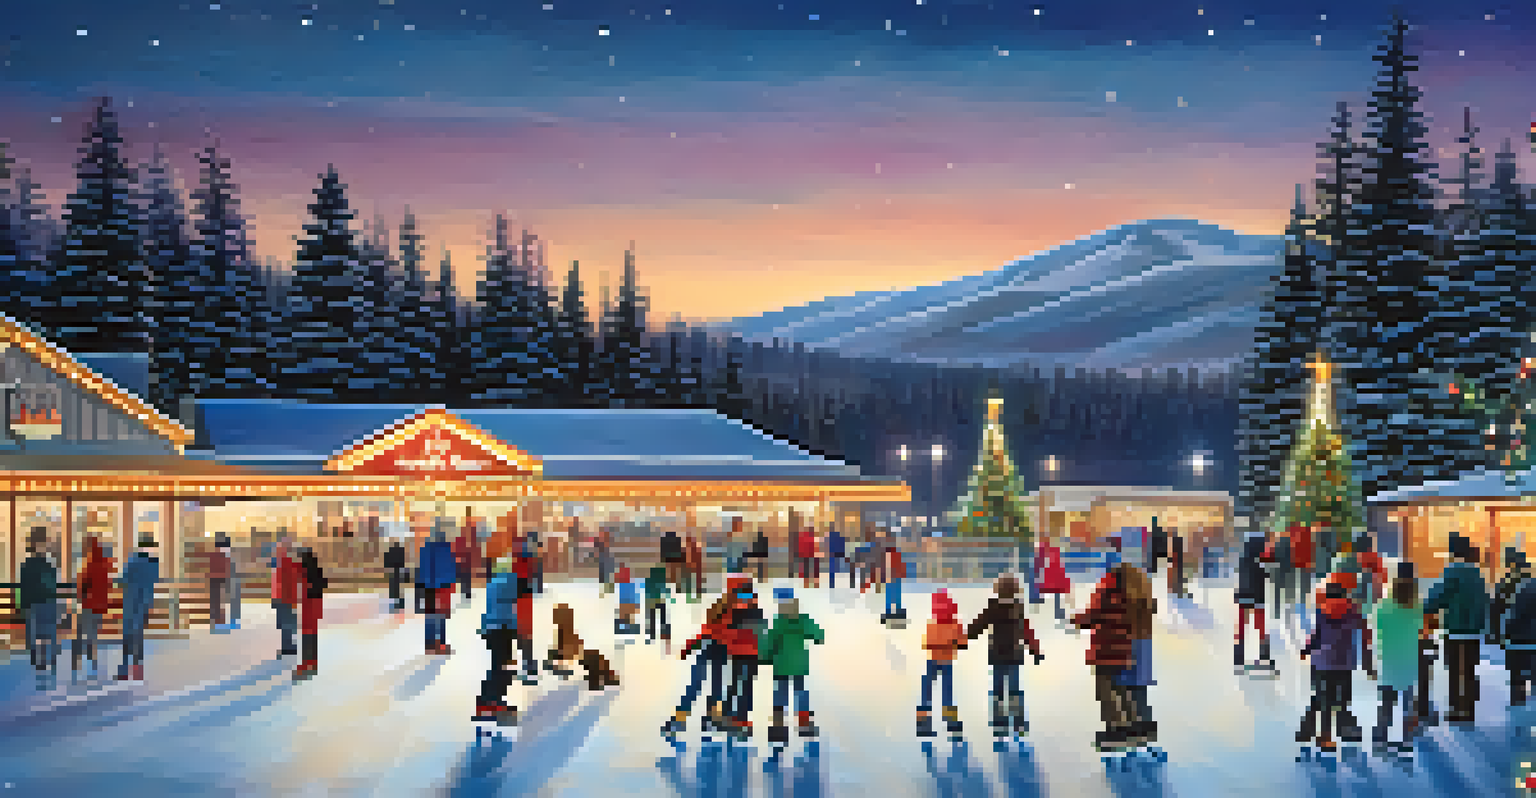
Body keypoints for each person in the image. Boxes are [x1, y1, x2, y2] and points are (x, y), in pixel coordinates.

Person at [1298, 582, 1375, 752]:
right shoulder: (1354, 611)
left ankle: (1316, 734)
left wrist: (1306, 649)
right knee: (1342, 699)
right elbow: (1365, 638)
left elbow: (1316, 634)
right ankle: (1337, 733)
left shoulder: (1321, 610)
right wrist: (1368, 662)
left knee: (1322, 697)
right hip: (1344, 663)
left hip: (1321, 661)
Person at [1423, 533, 1489, 724]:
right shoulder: (1477, 573)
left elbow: (1437, 598)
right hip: (1474, 631)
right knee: (1469, 670)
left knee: (1454, 671)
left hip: (1455, 628)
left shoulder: (1453, 571)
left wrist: (1426, 609)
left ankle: (1455, 709)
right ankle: (1468, 710)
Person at [968, 575, 1043, 738]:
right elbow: (1027, 631)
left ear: (998, 590)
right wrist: (1035, 650)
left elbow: (978, 626)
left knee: (998, 690)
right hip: (1014, 655)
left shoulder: (992, 608)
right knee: (1014, 689)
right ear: (1015, 591)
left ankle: (999, 722)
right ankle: (1018, 723)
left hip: (997, 655)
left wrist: (963, 638)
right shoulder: (1018, 608)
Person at [1074, 564, 1137, 748]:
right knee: (1122, 689)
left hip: (1105, 650)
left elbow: (1092, 616)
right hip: (1123, 649)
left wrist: (1076, 620)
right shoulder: (1130, 595)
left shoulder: (1104, 591)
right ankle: (1130, 727)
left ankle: (1115, 731)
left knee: (1105, 691)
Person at [759, 587, 826, 743]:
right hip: (799, 665)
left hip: (781, 664)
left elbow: (770, 644)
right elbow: (819, 635)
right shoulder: (803, 620)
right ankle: (804, 725)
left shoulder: (778, 622)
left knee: (780, 694)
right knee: (800, 692)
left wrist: (765, 658)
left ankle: (778, 727)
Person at [1372, 562, 1424, 746]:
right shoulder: (1417, 606)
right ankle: (1407, 741)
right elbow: (1420, 630)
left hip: (1388, 660)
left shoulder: (1384, 605)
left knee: (1386, 703)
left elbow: (1377, 629)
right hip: (1410, 660)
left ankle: (1380, 738)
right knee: (1408, 704)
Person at [668, 594, 733, 736]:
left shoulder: (714, 623)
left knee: (700, 685)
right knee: (713, 686)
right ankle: (708, 719)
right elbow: (706, 637)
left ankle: (682, 719)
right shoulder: (725, 622)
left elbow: (702, 638)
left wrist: (687, 650)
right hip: (717, 652)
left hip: (712, 652)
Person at [719, 575, 767, 740]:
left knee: (734, 683)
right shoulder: (756, 610)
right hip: (751, 653)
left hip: (738, 652)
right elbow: (762, 633)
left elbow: (730, 631)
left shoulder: (735, 610)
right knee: (746, 686)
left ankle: (727, 714)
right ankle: (741, 719)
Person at [1117, 563, 1158, 745]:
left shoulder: (1126, 600)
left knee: (1128, 690)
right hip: (1144, 645)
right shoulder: (1147, 599)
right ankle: (1146, 728)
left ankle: (1134, 729)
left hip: (1130, 644)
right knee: (1140, 690)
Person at [476, 556, 521, 723]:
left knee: (497, 667)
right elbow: (511, 608)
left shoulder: (492, 583)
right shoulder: (509, 581)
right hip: (503, 629)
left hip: (492, 630)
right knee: (502, 669)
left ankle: (488, 703)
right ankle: (492, 704)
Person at [917, 589, 966, 738]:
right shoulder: (955, 624)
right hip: (946, 662)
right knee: (947, 692)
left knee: (927, 692)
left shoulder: (932, 624)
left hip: (932, 661)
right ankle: (950, 722)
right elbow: (963, 643)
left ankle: (923, 723)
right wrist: (951, 643)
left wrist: (939, 643)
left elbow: (926, 644)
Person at [19, 529, 60, 684]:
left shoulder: (29, 565)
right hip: (44, 604)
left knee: (38, 635)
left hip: (37, 604)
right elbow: (51, 587)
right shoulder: (47, 566)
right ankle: (45, 663)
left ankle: (41, 665)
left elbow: (24, 588)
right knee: (45, 634)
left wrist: (23, 606)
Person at [116, 536, 160, 682]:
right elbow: (155, 580)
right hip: (144, 603)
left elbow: (123, 580)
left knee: (128, 634)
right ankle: (137, 669)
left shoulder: (133, 561)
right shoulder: (153, 563)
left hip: (131, 602)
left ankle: (124, 669)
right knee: (138, 633)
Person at [549, 602, 620, 691]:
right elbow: (565, 646)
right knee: (594, 658)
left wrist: (577, 644)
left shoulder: (564, 628)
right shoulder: (564, 629)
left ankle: (602, 679)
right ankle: (598, 681)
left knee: (595, 657)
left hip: (574, 652)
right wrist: (576, 646)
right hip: (571, 654)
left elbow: (569, 643)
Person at [72, 537, 113, 682]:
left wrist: (80, 598)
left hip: (88, 605)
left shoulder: (88, 565)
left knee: (80, 634)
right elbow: (108, 586)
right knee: (92, 635)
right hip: (100, 607)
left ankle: (76, 663)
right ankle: (93, 662)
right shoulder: (104, 565)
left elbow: (82, 586)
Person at [1234, 531, 1273, 672]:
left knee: (1241, 628)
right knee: (1260, 627)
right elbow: (1266, 575)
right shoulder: (1260, 561)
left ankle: (1238, 656)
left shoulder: (1243, 559)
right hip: (1258, 597)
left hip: (1243, 596)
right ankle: (1264, 655)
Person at [418, 524, 458, 655]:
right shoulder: (446, 549)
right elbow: (450, 568)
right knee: (440, 615)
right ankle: (439, 643)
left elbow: (423, 569)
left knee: (431, 615)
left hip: (429, 586)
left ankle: (430, 644)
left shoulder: (425, 548)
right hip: (441, 586)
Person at [1503, 555, 1536, 707]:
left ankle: (1518, 709)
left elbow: (1515, 617)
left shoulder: (1525, 587)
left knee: (1518, 683)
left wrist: (1506, 635)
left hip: (1522, 642)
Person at [293, 546, 327, 680]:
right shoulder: (317, 569)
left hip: (309, 605)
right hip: (315, 605)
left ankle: (307, 665)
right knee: (311, 636)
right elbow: (324, 583)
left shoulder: (305, 570)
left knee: (308, 636)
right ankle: (311, 665)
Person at [1491, 548, 1531, 646]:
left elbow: (1496, 610)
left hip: (1512, 636)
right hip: (1526, 636)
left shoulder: (1505, 584)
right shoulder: (1529, 583)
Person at [271, 539, 300, 658]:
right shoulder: (278, 564)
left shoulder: (287, 564)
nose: (278, 551)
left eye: (280, 549)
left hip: (285, 598)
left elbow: (290, 584)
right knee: (284, 623)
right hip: (281, 598)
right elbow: (275, 582)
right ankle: (288, 645)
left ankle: (288, 646)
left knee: (286, 623)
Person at [1034, 536, 1071, 623]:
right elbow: (1039, 562)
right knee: (1055, 592)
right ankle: (1053, 611)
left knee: (1056, 592)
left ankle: (1055, 611)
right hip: (1052, 573)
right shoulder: (1044, 547)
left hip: (1055, 572)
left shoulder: (1052, 547)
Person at [645, 564, 674, 647]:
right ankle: (664, 635)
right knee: (662, 619)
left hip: (652, 600)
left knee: (653, 619)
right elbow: (665, 589)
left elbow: (648, 590)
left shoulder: (650, 579)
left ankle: (652, 636)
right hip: (660, 600)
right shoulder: (661, 580)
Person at [209, 536, 232, 632]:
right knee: (218, 601)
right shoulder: (222, 556)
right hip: (218, 579)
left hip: (217, 579)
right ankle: (217, 620)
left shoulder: (219, 555)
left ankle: (217, 620)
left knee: (217, 601)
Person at [882, 543, 908, 623]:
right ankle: (894, 611)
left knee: (891, 596)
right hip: (896, 578)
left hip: (893, 578)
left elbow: (889, 567)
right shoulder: (896, 555)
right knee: (895, 595)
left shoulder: (890, 555)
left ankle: (890, 611)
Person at [616, 563, 641, 634]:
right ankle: (625, 627)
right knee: (626, 616)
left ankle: (625, 627)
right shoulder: (628, 583)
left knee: (626, 615)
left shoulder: (627, 584)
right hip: (626, 601)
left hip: (626, 601)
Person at [384, 540, 408, 612]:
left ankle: (395, 603)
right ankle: (400, 603)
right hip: (398, 569)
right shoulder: (400, 551)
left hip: (393, 570)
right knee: (398, 587)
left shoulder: (390, 551)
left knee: (394, 587)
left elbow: (387, 560)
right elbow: (402, 560)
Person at [661, 528, 686, 594]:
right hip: (675, 558)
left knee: (671, 573)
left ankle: (673, 589)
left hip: (669, 559)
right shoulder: (677, 539)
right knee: (675, 573)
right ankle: (676, 589)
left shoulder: (665, 540)